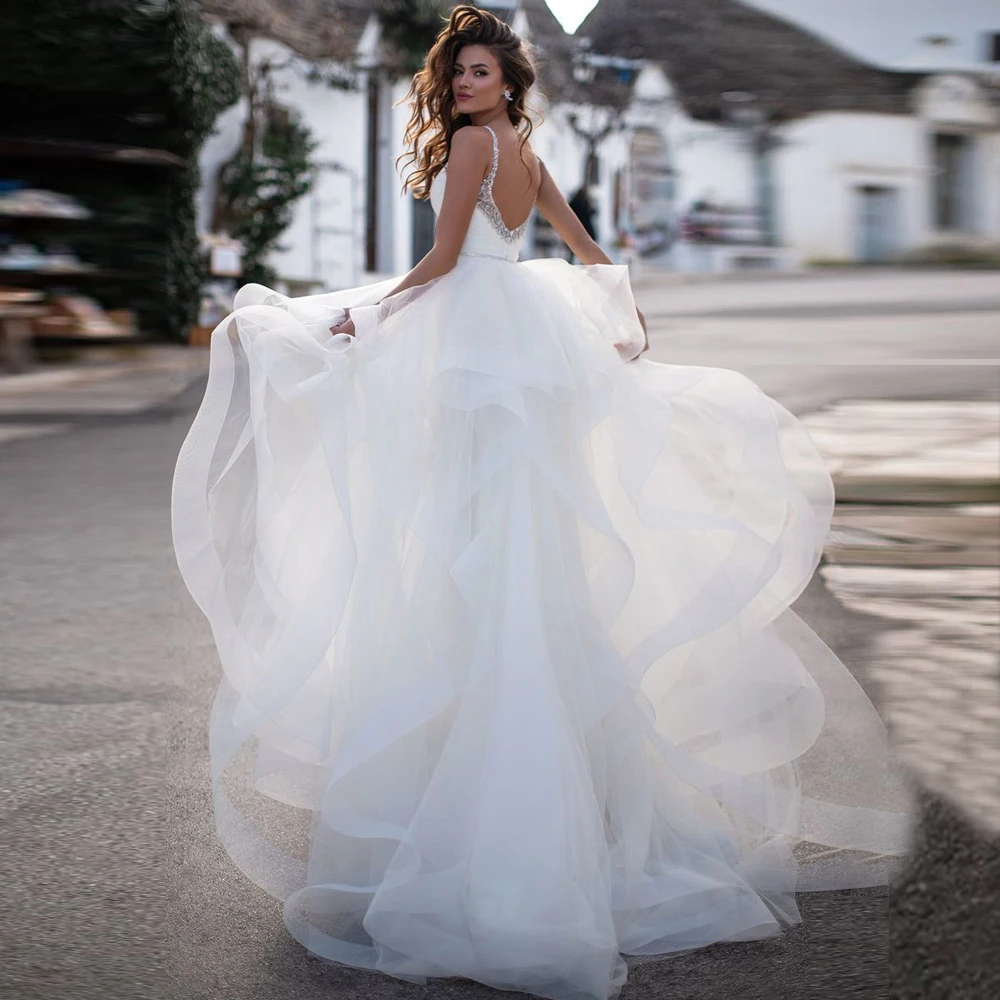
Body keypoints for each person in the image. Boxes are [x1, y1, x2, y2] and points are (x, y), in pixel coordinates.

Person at [170, 7, 911, 1000]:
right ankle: (560, 786)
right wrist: (626, 314)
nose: (467, 84)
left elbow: (439, 264)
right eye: (460, 72)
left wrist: (361, 314)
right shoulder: (521, 144)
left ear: (504, 83)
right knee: (522, 535)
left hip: (476, 340)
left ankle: (483, 780)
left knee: (472, 532)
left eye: (480, 71)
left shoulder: (477, 143)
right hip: (523, 337)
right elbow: (581, 244)